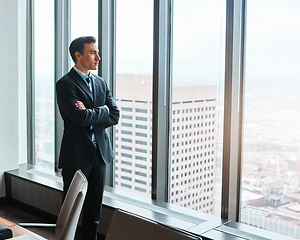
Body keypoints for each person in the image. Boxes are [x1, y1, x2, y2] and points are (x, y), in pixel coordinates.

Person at [56, 36, 119, 240]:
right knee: (71, 209)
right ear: (78, 55)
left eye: (97, 52)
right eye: (93, 52)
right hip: (76, 155)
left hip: (100, 154)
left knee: (94, 213)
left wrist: (92, 113)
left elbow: (115, 115)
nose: (98, 57)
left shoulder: (100, 82)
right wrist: (102, 110)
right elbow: (79, 117)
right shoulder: (65, 84)